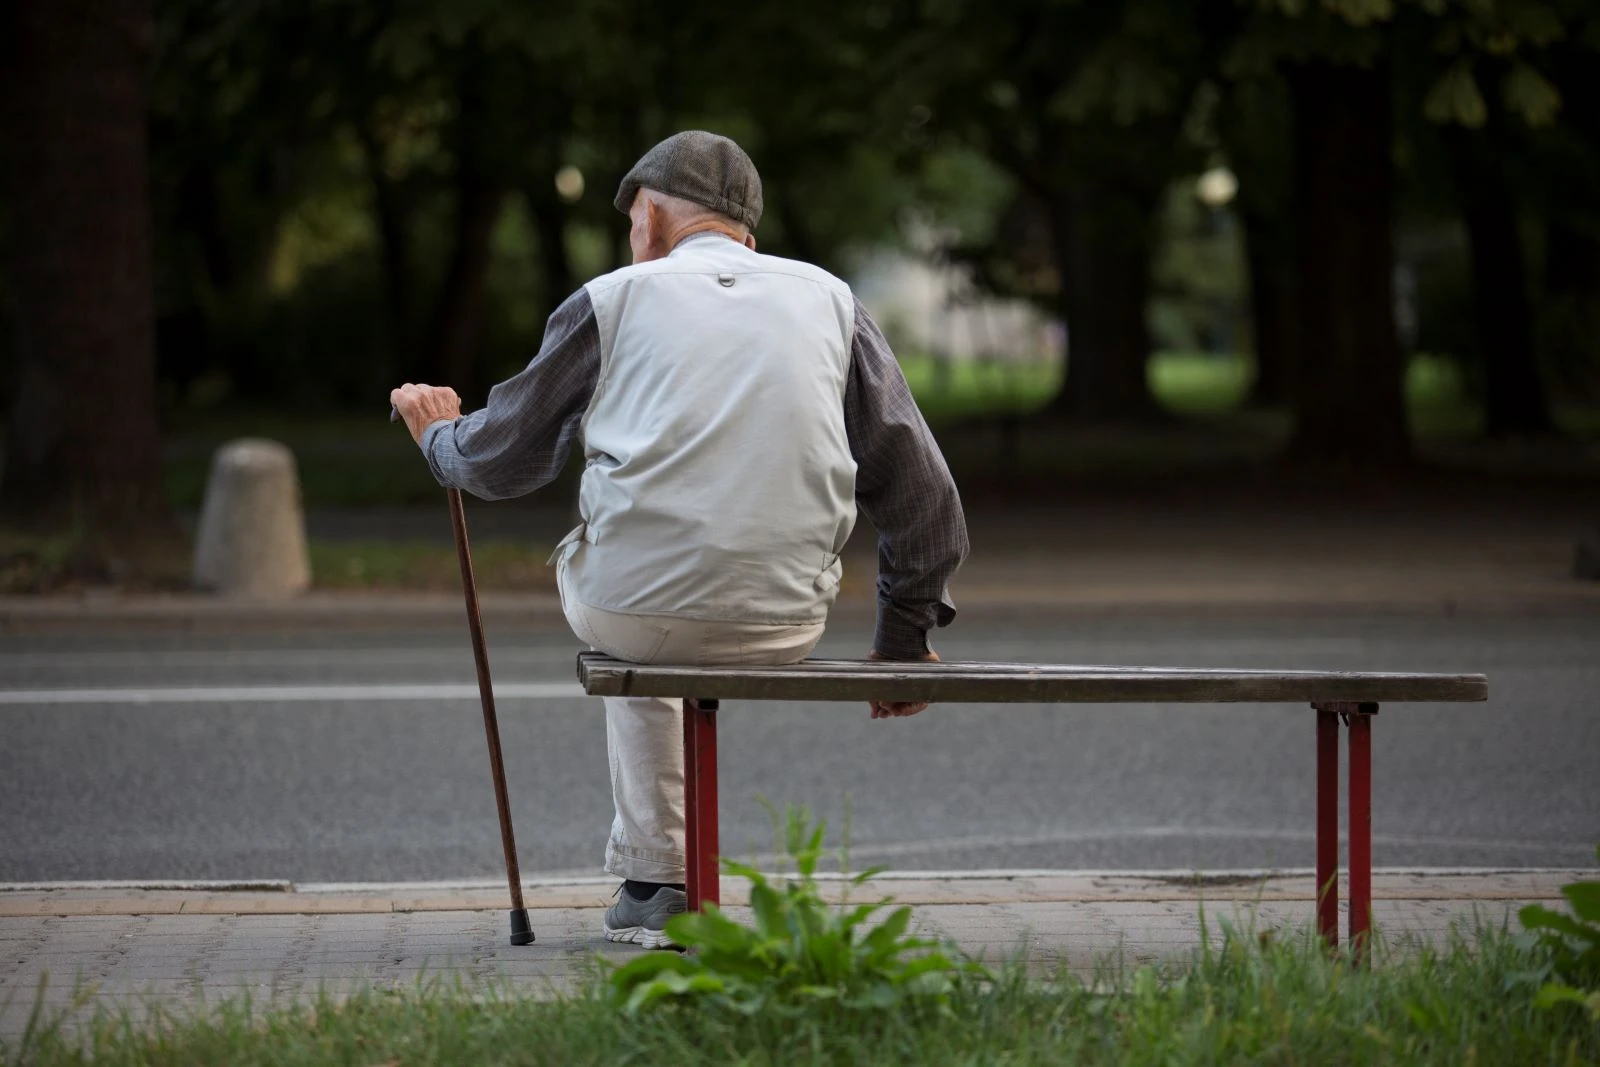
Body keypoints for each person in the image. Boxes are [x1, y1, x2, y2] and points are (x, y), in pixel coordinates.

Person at [390, 130, 968, 949]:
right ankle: (662, 876)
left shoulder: (614, 298)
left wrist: (438, 438)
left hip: (638, 610)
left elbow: (501, 461)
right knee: (657, 581)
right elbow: (924, 493)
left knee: (635, 591)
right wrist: (903, 641)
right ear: (748, 239)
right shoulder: (831, 301)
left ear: (652, 218)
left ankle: (658, 881)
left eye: (634, 223)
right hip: (786, 617)